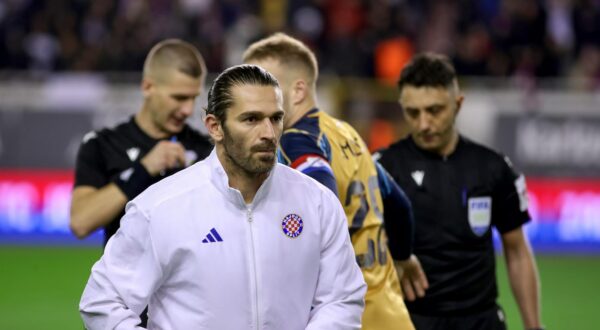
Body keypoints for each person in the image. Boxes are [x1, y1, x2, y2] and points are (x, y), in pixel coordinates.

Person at [79, 64, 367, 329]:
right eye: (251, 119)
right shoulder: (160, 208)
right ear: (215, 127)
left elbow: (341, 300)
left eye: (276, 118)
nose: (268, 133)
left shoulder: (317, 202)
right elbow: (103, 301)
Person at [243, 33, 426, 330]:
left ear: (298, 91)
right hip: (390, 315)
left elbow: (321, 194)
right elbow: (399, 205)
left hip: (346, 317)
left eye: (263, 85)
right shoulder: (347, 134)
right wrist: (405, 258)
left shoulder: (296, 140)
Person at [377, 53, 543, 330]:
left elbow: (516, 251)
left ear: (458, 104)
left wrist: (533, 326)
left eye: (434, 110)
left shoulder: (493, 167)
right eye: (413, 113)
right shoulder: (382, 168)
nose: (423, 124)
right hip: (410, 320)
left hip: (481, 320)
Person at [70, 38, 213, 245]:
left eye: (194, 98)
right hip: (124, 277)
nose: (188, 110)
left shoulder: (207, 151)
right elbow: (80, 222)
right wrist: (144, 169)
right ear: (147, 87)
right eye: (179, 98)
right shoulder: (102, 144)